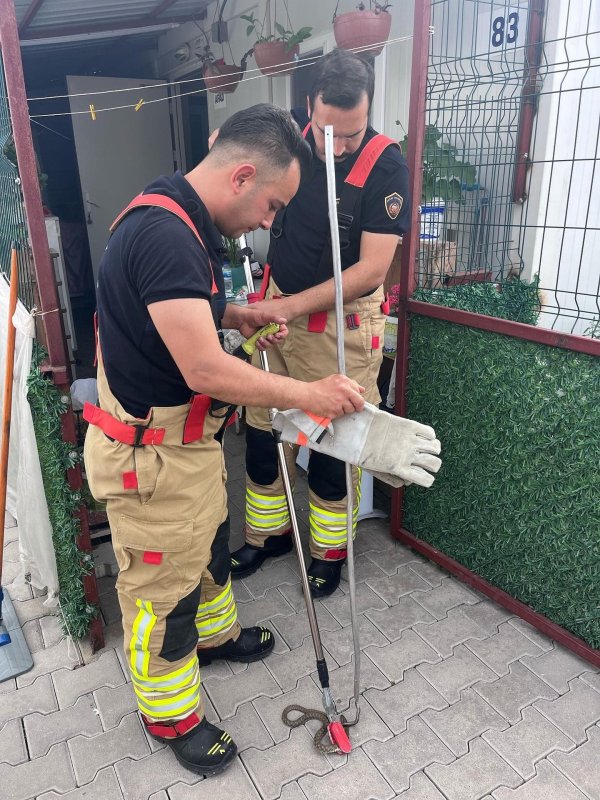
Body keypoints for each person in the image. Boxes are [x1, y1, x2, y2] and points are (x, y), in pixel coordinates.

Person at [83, 103, 365, 777]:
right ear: (242, 176)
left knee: (208, 552)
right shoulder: (165, 235)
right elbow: (204, 368)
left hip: (184, 450)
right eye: (271, 205)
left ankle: (217, 637)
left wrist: (239, 314)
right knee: (162, 592)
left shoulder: (180, 217)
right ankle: (169, 714)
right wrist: (309, 393)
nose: (269, 222)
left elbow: (186, 309)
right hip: (149, 462)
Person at [230, 50, 411, 597]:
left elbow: (372, 270)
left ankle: (328, 551)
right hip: (277, 314)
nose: (339, 146)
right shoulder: (288, 140)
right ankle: (270, 536)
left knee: (333, 447)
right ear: (310, 106)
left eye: (351, 134)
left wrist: (289, 306)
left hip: (339, 329)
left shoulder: (384, 164)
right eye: (329, 133)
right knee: (262, 436)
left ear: (368, 113)